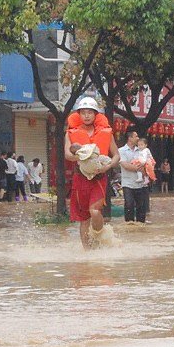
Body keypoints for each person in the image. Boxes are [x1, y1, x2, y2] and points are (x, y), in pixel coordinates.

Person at [65, 97, 119, 247]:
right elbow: (67, 155)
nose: (87, 115)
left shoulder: (106, 132)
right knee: (84, 219)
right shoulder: (71, 133)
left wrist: (107, 167)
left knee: (94, 211)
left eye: (90, 112)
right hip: (80, 177)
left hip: (99, 177)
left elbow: (116, 156)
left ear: (96, 114)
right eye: (83, 112)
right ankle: (88, 254)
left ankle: (99, 235)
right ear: (79, 114)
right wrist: (81, 155)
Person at [119, 130, 151, 224]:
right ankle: (129, 225)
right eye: (136, 136)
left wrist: (145, 169)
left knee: (141, 207)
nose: (138, 138)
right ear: (130, 138)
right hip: (128, 183)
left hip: (140, 184)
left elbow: (147, 164)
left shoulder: (141, 150)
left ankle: (141, 226)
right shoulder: (121, 151)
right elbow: (125, 165)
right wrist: (139, 168)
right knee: (129, 204)